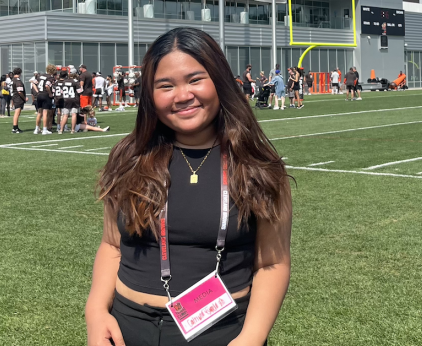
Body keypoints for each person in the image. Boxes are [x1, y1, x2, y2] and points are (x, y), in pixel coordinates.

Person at [86, 27, 291, 346]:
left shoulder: (257, 165)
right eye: (165, 86)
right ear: (150, 96)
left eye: (195, 79)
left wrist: (251, 338)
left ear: (219, 81)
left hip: (223, 331)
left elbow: (272, 263)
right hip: (127, 328)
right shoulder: (130, 157)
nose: (182, 95)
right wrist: (96, 312)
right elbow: (112, 245)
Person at [33, 65, 56, 135]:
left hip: (39, 95)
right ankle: (45, 129)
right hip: (45, 95)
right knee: (45, 112)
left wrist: (37, 91)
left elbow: (33, 83)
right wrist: (50, 93)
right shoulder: (50, 78)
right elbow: (47, 86)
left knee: (39, 113)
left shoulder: (40, 76)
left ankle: (36, 129)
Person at [58, 70, 80, 134]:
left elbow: (61, 92)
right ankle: (72, 130)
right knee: (74, 114)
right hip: (74, 99)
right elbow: (80, 91)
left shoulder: (64, 82)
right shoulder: (75, 81)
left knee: (65, 115)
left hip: (66, 100)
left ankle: (61, 130)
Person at [10, 67, 27, 133]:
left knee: (17, 113)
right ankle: (15, 128)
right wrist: (24, 98)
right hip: (18, 98)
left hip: (15, 97)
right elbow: (19, 91)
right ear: (20, 73)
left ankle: (16, 127)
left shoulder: (13, 79)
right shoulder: (17, 80)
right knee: (17, 113)